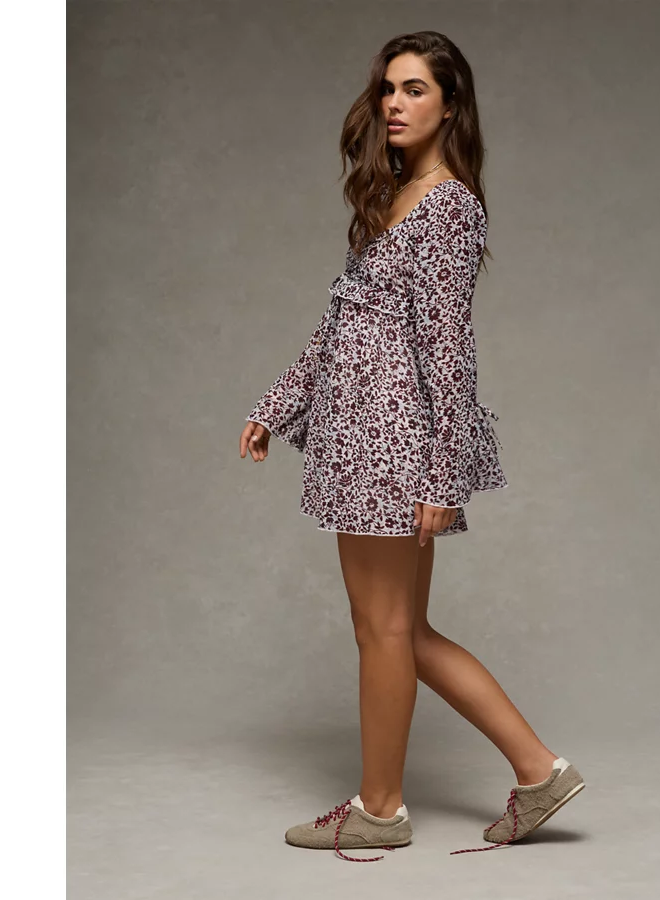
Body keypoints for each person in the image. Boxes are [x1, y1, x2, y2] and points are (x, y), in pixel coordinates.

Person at [238, 31, 584, 862]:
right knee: (400, 630)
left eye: (416, 89)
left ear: (451, 105)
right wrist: (276, 405)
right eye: (388, 88)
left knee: (385, 629)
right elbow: (342, 324)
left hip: (392, 444)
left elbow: (449, 352)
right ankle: (538, 771)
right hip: (357, 436)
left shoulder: (448, 208)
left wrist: (442, 474)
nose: (394, 103)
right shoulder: (391, 195)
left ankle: (382, 809)